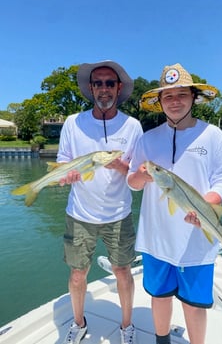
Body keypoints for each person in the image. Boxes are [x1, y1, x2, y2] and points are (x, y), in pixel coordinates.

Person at [127, 63, 222, 344]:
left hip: (197, 238)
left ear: (193, 98)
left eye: (181, 95)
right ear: (160, 102)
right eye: (168, 96)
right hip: (156, 238)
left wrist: (210, 203)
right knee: (159, 296)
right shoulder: (147, 139)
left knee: (193, 304)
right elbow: (132, 182)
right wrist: (140, 176)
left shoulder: (213, 136)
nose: (174, 102)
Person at [58, 60, 143, 344]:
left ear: (119, 89)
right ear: (90, 88)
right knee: (78, 274)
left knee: (123, 271)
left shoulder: (132, 126)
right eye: (98, 83)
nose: (104, 89)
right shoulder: (73, 122)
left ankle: (127, 326)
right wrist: (65, 175)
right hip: (80, 213)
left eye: (109, 83)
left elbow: (140, 176)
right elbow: (63, 161)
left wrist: (120, 167)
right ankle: (79, 323)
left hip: (119, 213)